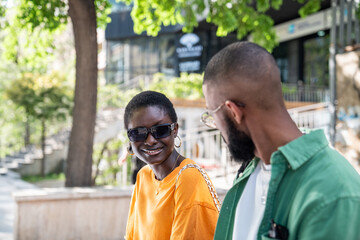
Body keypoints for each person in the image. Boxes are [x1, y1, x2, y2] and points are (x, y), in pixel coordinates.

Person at [201, 41, 360, 240]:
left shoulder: (333, 194)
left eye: (212, 115)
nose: (214, 125)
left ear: (233, 112)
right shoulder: (250, 170)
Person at [124, 90, 220, 240]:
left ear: (175, 130)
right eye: (138, 133)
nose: (150, 141)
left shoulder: (188, 178)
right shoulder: (143, 176)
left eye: (160, 130)